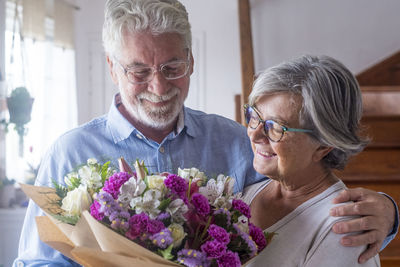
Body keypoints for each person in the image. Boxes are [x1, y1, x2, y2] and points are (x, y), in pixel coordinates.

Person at [14, 1, 397, 266]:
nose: (159, 88)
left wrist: (388, 215)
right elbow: (35, 262)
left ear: (192, 61)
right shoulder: (69, 152)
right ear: (113, 68)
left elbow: (302, 197)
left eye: (172, 66)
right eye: (139, 71)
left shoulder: (236, 142)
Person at [242, 55, 382, 266]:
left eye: (276, 127)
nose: (255, 135)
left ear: (324, 145)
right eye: (255, 117)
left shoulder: (344, 233)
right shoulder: (246, 192)